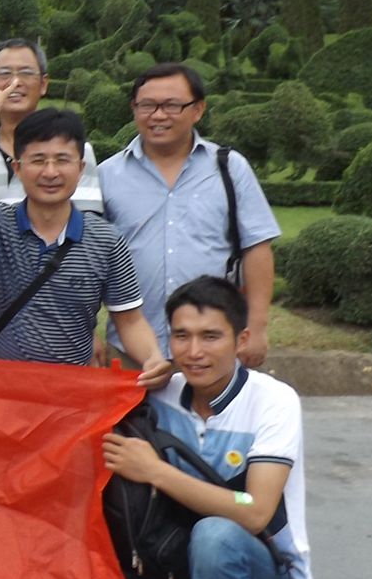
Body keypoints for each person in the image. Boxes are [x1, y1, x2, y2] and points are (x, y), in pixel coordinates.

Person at [0, 88, 171, 579]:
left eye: (62, 159)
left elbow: (128, 319)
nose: (50, 171)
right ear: (18, 168)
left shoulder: (105, 241)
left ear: (80, 167)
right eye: (37, 159)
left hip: (70, 412)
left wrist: (152, 358)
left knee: (53, 522)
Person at [66, 276, 312, 579]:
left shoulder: (273, 401)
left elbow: (255, 511)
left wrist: (156, 472)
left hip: (269, 574)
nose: (194, 351)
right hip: (175, 563)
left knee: (216, 535)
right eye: (181, 336)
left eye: (210, 336)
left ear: (241, 339)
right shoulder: (158, 393)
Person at [100, 64, 279, 368]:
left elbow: (257, 248)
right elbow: (86, 259)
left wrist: (257, 327)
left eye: (171, 105)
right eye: (147, 105)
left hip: (214, 345)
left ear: (198, 110)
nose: (158, 115)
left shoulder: (230, 168)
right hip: (130, 350)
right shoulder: (107, 174)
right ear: (134, 108)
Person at [0, 39, 103, 356]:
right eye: (4, 73)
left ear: (44, 83)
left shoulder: (76, 153)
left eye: (26, 73)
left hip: (60, 310)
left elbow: (87, 236)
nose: (15, 82)